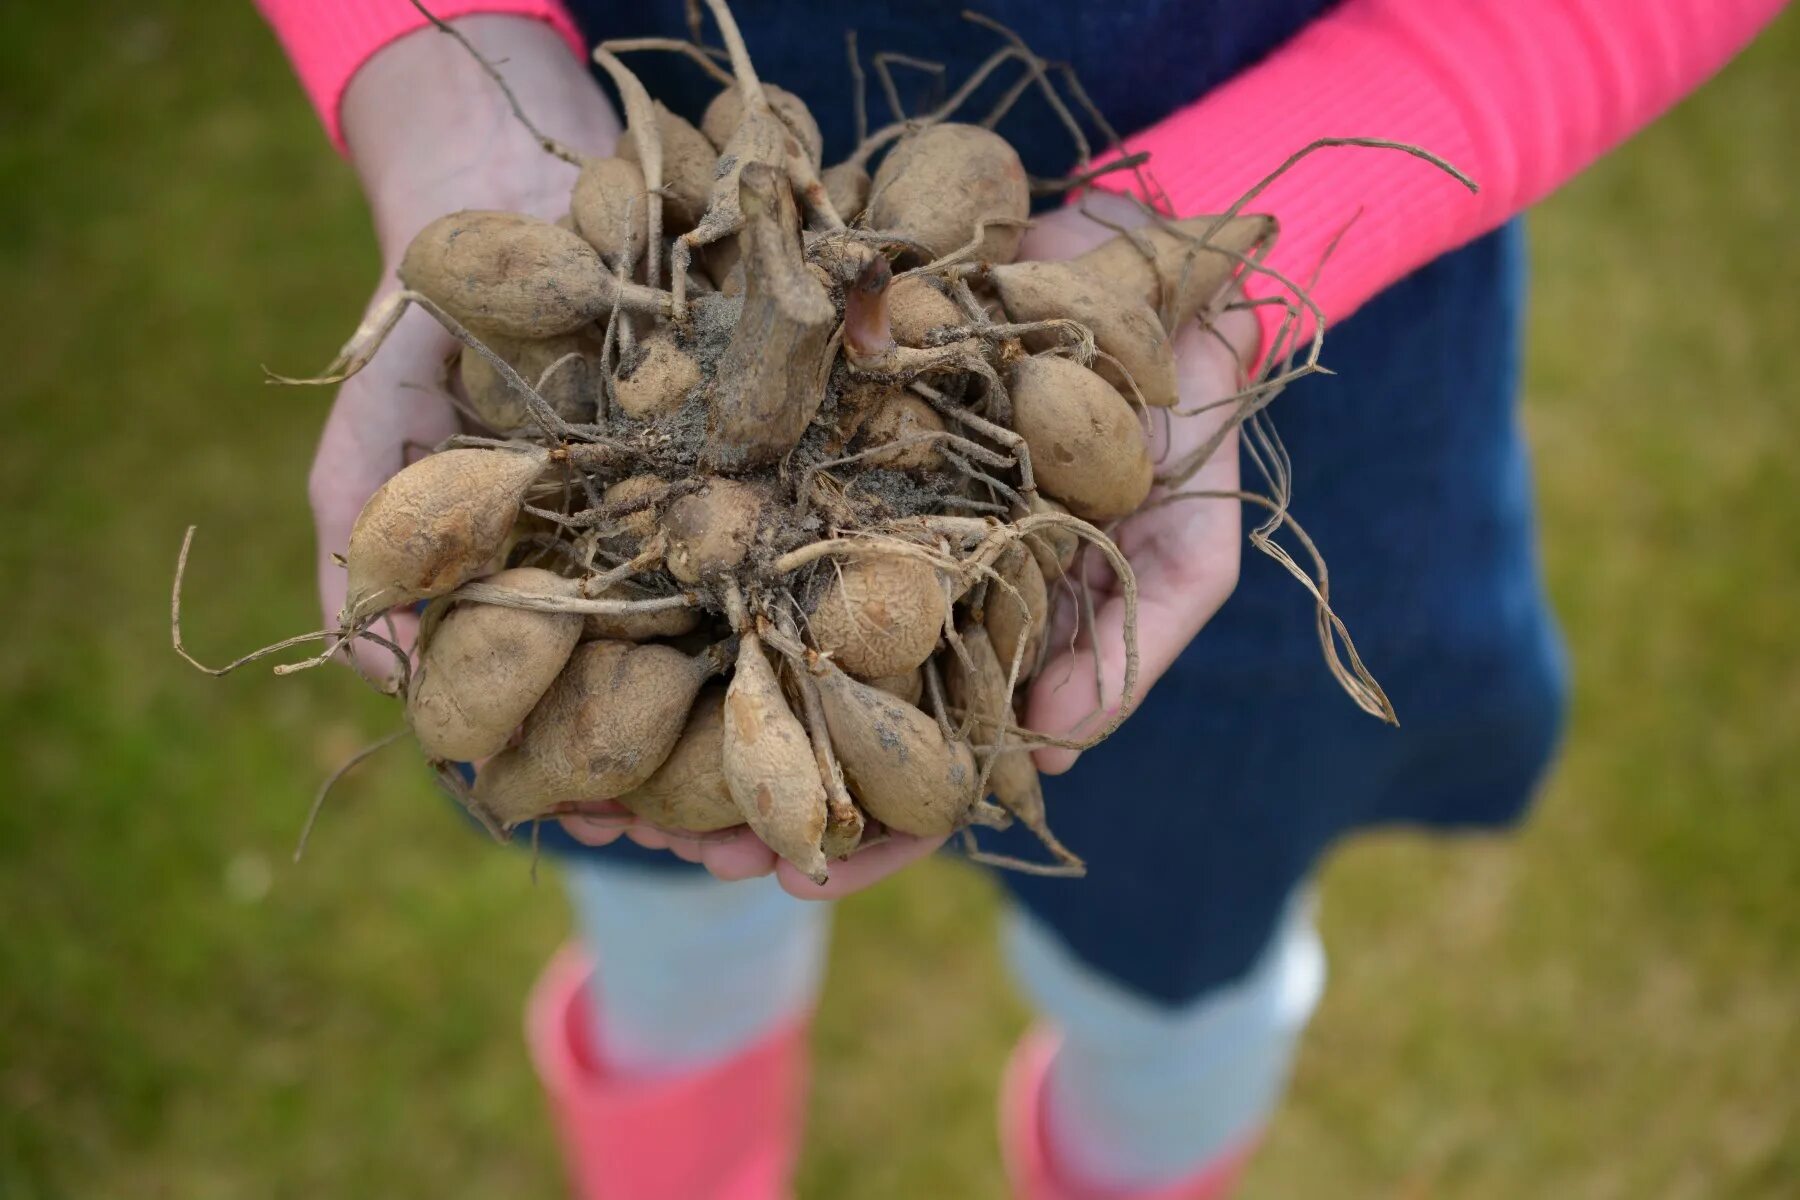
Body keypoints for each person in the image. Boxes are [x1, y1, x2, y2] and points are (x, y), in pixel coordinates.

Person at [257, 1, 1785, 1196]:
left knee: (1183, 958)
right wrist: (443, 79)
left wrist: (1207, 254)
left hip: (1277, 354)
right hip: (628, 335)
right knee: (655, 894)